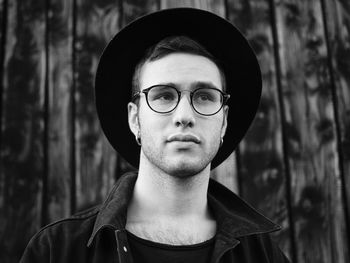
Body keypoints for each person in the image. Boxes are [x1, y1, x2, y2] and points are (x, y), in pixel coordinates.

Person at [20, 8, 291, 263]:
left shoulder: (263, 255)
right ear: (135, 119)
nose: (184, 115)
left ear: (224, 122)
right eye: (163, 95)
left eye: (205, 96)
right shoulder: (58, 251)